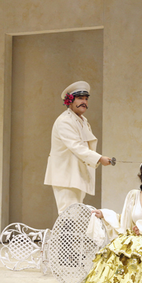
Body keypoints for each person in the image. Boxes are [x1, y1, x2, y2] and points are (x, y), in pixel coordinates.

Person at [44, 81, 111, 214]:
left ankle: (70, 236)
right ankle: (62, 236)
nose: (84, 102)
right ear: (70, 100)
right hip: (66, 176)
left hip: (76, 175)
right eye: (80, 98)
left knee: (75, 216)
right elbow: (77, 147)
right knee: (68, 216)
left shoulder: (83, 121)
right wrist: (99, 158)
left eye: (86, 99)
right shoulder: (65, 121)